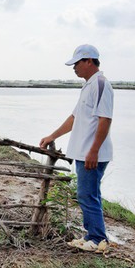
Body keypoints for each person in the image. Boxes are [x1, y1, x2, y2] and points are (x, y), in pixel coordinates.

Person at [40, 44, 113, 252]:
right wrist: (53, 135)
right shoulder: (88, 86)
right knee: (89, 194)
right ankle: (92, 236)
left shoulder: (100, 84)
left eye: (77, 63)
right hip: (85, 151)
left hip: (92, 153)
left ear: (89, 61)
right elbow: (75, 118)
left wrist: (94, 150)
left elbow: (105, 119)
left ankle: (98, 239)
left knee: (86, 195)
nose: (74, 68)